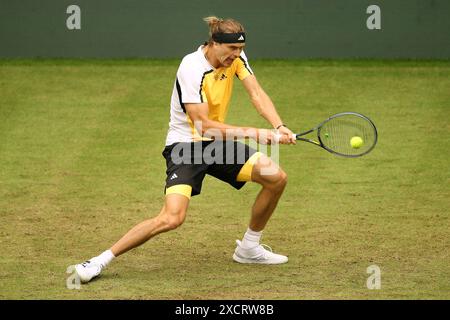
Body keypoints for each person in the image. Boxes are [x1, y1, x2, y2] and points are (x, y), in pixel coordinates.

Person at [73, 16, 296, 283]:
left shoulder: (236, 57)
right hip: (186, 147)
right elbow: (204, 128)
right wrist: (258, 134)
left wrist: (278, 125)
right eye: (231, 50)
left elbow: (256, 93)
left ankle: (249, 248)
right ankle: (99, 260)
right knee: (172, 217)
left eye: (240, 49)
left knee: (275, 178)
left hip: (216, 145)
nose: (236, 55)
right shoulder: (192, 68)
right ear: (214, 43)